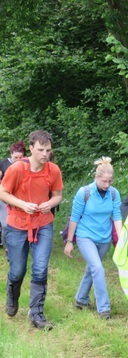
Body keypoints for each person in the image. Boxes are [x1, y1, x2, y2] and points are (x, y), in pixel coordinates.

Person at [0, 130, 63, 330]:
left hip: (43, 223)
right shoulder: (17, 169)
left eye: (48, 150)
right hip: (17, 223)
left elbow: (57, 195)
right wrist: (22, 204)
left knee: (40, 268)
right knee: (17, 270)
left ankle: (36, 314)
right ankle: (12, 298)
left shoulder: (53, 170)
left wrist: (49, 203)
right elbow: (3, 192)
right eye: (41, 150)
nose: (45, 154)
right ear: (31, 148)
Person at [64, 157, 123, 319]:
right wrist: (69, 241)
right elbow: (75, 218)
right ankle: (104, 308)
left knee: (92, 268)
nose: (107, 184)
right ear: (96, 178)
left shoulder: (113, 193)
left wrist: (122, 238)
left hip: (104, 238)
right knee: (97, 268)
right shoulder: (85, 193)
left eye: (110, 181)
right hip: (85, 236)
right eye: (104, 181)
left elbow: (117, 216)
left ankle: (81, 299)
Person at [0, 141, 27, 248]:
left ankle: (17, 246)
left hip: (19, 200)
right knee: (6, 225)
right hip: (4, 199)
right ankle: (7, 247)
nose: (19, 159)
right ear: (11, 154)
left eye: (21, 156)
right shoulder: (4, 164)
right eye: (16, 157)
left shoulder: (25, 164)